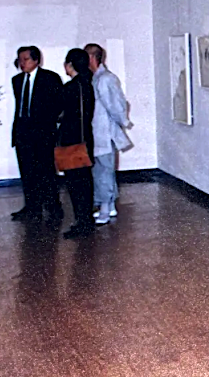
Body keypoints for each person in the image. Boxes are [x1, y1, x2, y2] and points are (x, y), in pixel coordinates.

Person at [10, 45, 64, 226]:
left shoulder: (50, 78)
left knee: (46, 171)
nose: (22, 63)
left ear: (36, 60)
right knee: (27, 172)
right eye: (20, 60)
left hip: (43, 133)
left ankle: (53, 206)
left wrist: (46, 123)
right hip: (23, 132)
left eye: (25, 59)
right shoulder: (17, 80)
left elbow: (58, 104)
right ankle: (32, 207)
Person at [84, 43, 131, 225]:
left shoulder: (106, 79)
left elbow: (116, 104)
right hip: (97, 131)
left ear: (92, 57)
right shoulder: (94, 78)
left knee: (104, 169)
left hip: (104, 131)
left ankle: (105, 206)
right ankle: (108, 205)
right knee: (101, 169)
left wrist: (122, 122)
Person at [57, 48, 95, 239]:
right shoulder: (87, 84)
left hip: (72, 141)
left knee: (75, 185)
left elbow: (59, 112)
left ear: (70, 65)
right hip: (85, 138)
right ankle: (85, 220)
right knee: (85, 183)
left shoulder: (71, 87)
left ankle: (82, 222)